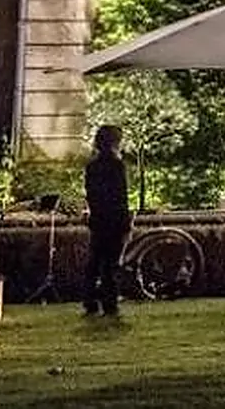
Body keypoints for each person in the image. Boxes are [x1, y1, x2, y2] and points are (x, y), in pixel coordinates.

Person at [83, 125, 131, 318]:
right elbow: (120, 195)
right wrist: (126, 220)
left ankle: (90, 300)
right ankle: (109, 302)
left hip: (98, 218)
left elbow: (91, 194)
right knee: (111, 263)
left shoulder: (92, 166)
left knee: (95, 261)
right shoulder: (116, 165)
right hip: (114, 219)